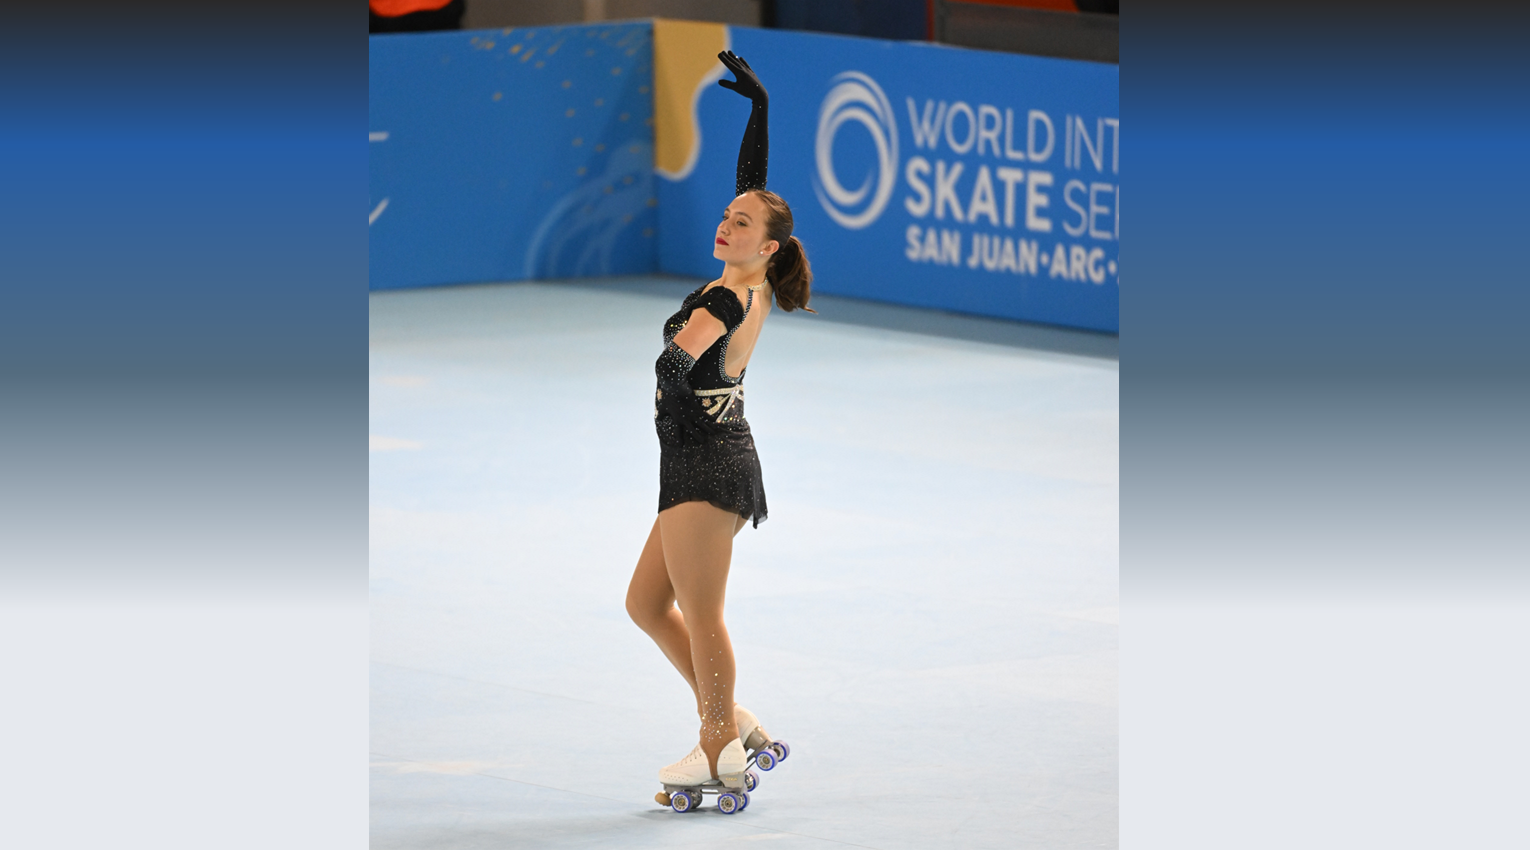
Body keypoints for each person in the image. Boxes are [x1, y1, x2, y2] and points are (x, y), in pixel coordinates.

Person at [624, 50, 814, 805]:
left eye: (741, 224)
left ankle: (716, 748)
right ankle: (736, 722)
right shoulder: (750, 276)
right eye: (726, 217)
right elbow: (754, 188)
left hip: (706, 466)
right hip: (704, 459)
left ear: (766, 247)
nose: (726, 224)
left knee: (702, 615)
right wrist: (759, 111)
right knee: (646, 604)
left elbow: (673, 366)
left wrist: (676, 354)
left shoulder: (728, 299)